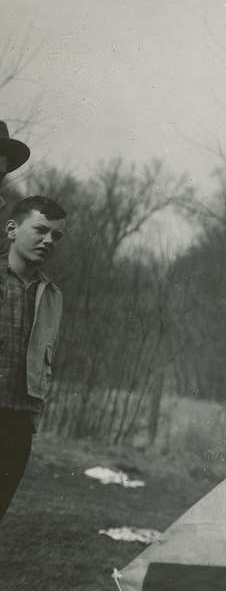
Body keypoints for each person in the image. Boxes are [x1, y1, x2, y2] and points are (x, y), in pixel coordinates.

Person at [0, 196, 67, 522]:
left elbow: (44, 363)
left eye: (56, 236)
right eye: (41, 230)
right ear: (12, 229)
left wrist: (32, 418)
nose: (48, 241)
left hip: (17, 424)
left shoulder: (52, 295)